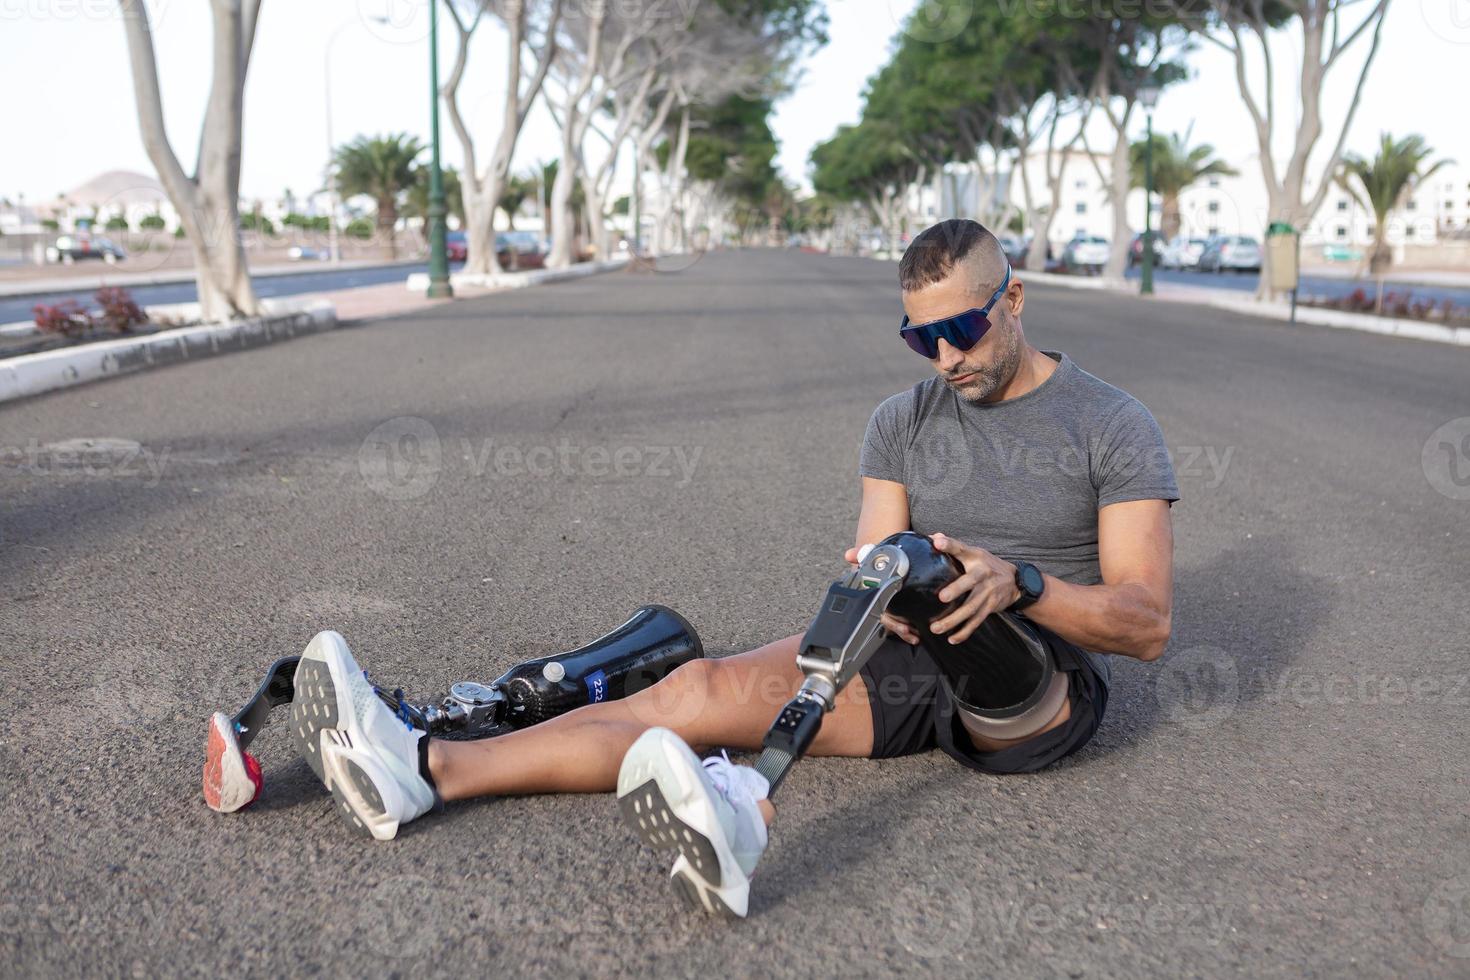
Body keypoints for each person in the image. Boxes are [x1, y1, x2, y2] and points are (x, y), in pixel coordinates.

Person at [292, 218, 1178, 918]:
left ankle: (741, 801)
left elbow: (1146, 623)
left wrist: (1018, 582)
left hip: (1030, 682)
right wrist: (882, 584)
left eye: (963, 330)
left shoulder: (1110, 422)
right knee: (692, 689)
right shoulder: (899, 421)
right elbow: (877, 556)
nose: (946, 358)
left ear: (1015, 299)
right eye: (922, 339)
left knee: (933, 570)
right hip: (910, 654)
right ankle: (424, 766)